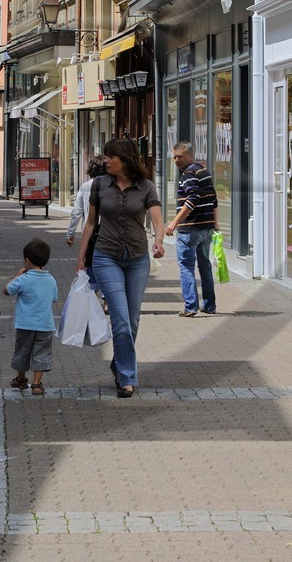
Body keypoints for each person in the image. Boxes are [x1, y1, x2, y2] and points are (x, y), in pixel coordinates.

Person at [76, 138, 165, 398]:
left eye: (110, 157)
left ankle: (119, 363)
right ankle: (127, 377)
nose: (106, 161)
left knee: (133, 320)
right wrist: (81, 258)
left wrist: (159, 242)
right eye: (105, 156)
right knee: (120, 320)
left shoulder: (146, 187)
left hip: (138, 258)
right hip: (106, 257)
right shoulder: (99, 185)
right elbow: (91, 223)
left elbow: (158, 221)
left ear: (125, 158)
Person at [166, 142, 218, 317]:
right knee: (205, 266)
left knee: (186, 267)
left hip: (190, 228)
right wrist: (215, 223)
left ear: (190, 155)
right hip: (206, 228)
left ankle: (191, 307)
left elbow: (192, 198)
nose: (176, 160)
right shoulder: (204, 172)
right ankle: (209, 306)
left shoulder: (188, 174)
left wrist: (174, 222)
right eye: (174, 157)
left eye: (179, 156)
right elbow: (214, 199)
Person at [6, 238, 59, 396]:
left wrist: (17, 276)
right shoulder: (51, 280)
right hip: (45, 325)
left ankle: (21, 379)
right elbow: (54, 298)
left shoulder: (24, 279)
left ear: (27, 261)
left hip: (25, 324)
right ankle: (36, 384)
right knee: (41, 352)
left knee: (22, 351)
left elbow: (7, 290)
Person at [66, 158, 107, 255]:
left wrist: (70, 233)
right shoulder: (111, 186)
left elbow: (77, 212)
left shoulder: (85, 186)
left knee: (89, 261)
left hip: (88, 232)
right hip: (108, 233)